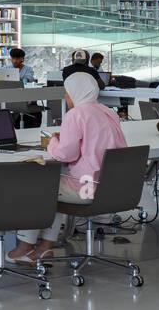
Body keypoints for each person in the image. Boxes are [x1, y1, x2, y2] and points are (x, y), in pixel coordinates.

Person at [8, 72, 126, 263]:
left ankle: (25, 246)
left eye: (67, 92)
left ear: (76, 92)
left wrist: (52, 142)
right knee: (57, 185)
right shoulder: (108, 112)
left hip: (88, 188)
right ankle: (46, 247)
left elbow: (64, 155)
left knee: (40, 186)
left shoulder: (76, 114)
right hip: (113, 187)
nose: (65, 96)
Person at [8, 48, 41, 129]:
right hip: (11, 98)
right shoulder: (6, 68)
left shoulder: (28, 69)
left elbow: (29, 79)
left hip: (25, 98)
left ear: (22, 59)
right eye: (13, 58)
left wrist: (15, 77)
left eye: (17, 58)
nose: (15, 61)